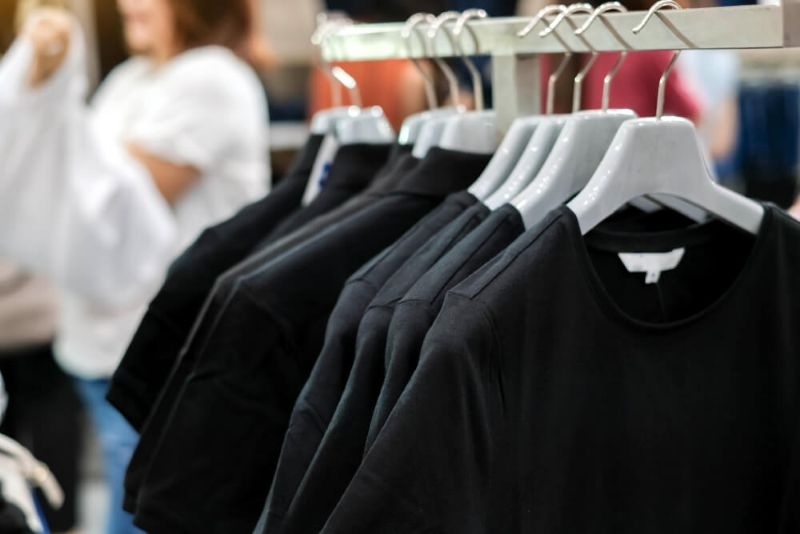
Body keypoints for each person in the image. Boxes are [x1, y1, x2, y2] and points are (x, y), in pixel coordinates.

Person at [1, 0, 271, 532]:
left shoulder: (211, 80)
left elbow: (110, 211)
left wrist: (37, 105)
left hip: (165, 363)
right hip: (107, 352)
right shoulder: (132, 79)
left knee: (147, 514)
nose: (128, 4)